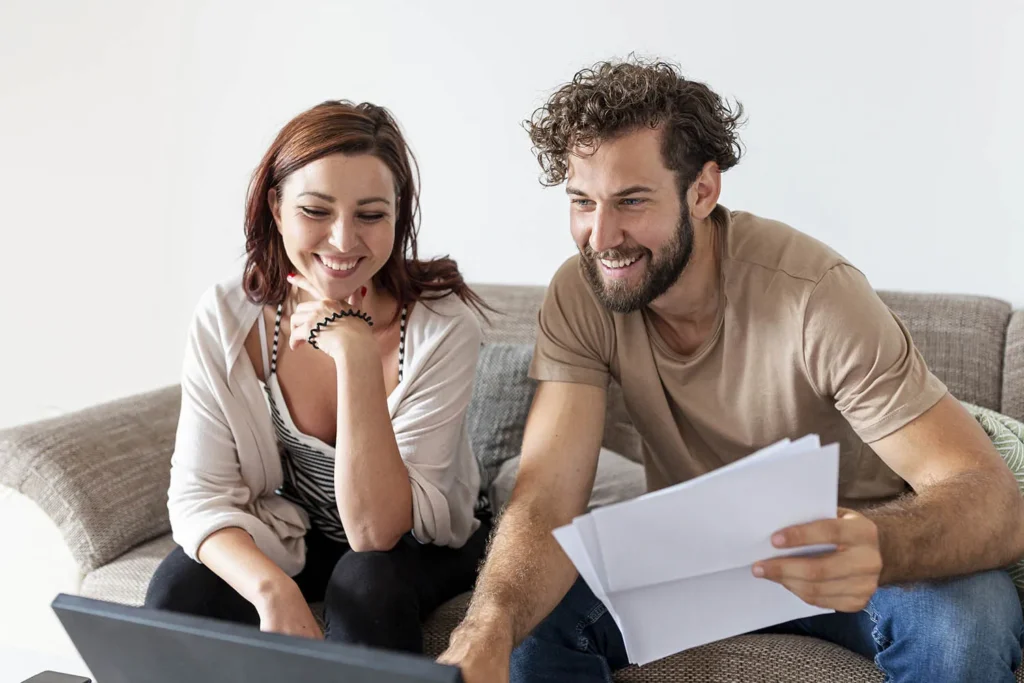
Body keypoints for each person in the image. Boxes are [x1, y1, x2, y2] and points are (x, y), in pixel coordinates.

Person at [439, 58, 1024, 683]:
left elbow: (995, 502)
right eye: (583, 202)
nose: (601, 236)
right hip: (697, 552)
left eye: (631, 201)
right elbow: (549, 494)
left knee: (966, 629)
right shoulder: (582, 293)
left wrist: (880, 545)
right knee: (524, 629)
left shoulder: (815, 296)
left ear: (703, 191)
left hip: (847, 555)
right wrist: (485, 625)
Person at [144, 100, 490, 654]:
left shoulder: (443, 328)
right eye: (315, 210)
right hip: (301, 529)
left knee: (365, 583)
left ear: (398, 217)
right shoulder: (230, 317)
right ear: (276, 208)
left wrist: (355, 354)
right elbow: (199, 496)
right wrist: (272, 590)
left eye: (371, 215)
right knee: (180, 586)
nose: (343, 240)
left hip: (417, 540)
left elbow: (376, 532)